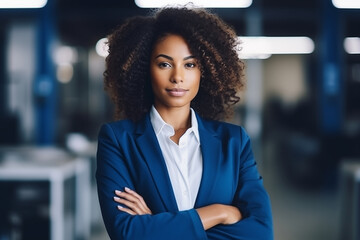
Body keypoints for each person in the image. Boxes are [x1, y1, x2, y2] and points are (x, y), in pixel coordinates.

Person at [96, 6, 273, 240]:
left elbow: (260, 233)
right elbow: (127, 233)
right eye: (164, 64)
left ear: (205, 71)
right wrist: (219, 213)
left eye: (190, 64)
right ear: (144, 69)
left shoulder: (234, 142)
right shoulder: (118, 140)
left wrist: (156, 227)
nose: (177, 77)